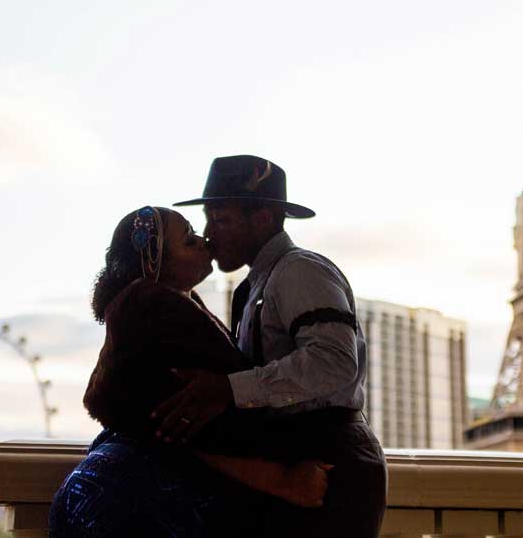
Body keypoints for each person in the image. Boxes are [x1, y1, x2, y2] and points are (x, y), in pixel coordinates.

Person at [49, 206, 329, 538]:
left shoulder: (158, 311)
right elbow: (197, 435)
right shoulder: (159, 315)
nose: (204, 241)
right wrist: (283, 480)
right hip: (135, 500)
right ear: (157, 264)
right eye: (189, 240)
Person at [153, 155, 388, 538]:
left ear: (262, 218)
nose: (210, 233)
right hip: (303, 457)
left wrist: (229, 390)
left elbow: (334, 361)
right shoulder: (258, 284)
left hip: (329, 462)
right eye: (209, 219)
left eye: (222, 219)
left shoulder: (299, 269)